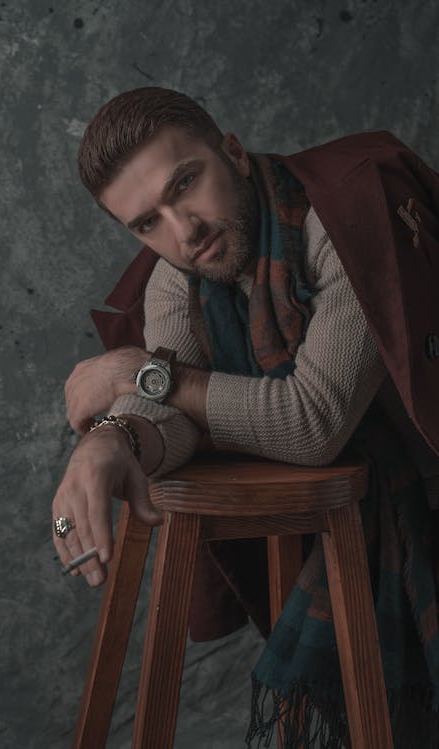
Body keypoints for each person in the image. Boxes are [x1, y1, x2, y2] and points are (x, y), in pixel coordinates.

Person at [52, 87, 439, 747]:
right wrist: (110, 442)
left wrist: (140, 372)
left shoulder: (345, 212)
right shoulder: (183, 270)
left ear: (230, 150)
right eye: (148, 223)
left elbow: (310, 421)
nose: (184, 231)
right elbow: (171, 415)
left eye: (186, 184)